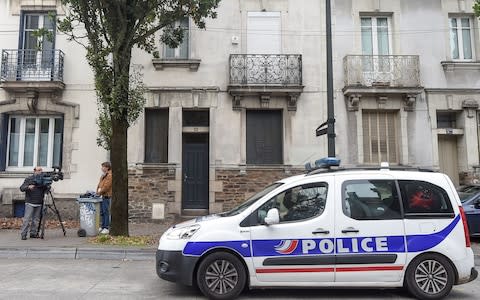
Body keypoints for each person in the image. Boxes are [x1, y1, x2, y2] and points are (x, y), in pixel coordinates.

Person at [19, 167, 48, 240]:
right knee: (27, 219)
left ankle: (33, 233)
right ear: (34, 171)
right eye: (38, 170)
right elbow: (22, 188)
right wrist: (28, 187)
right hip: (30, 202)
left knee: (36, 220)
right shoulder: (29, 179)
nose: (40, 172)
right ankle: (23, 234)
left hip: (39, 202)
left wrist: (47, 186)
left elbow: (46, 189)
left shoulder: (43, 179)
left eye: (41, 170)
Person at [97, 161, 112, 234]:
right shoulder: (103, 175)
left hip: (106, 195)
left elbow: (106, 186)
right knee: (102, 212)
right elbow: (99, 184)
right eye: (102, 167)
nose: (102, 168)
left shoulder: (109, 175)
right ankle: (103, 226)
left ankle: (106, 227)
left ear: (107, 167)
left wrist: (100, 192)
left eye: (103, 167)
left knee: (106, 211)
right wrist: (97, 191)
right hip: (102, 195)